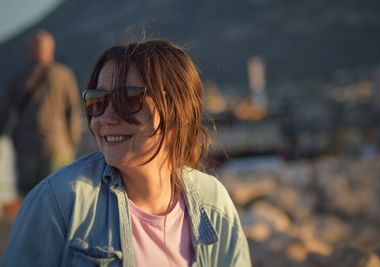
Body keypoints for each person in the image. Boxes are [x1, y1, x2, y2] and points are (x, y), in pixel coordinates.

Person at [1, 39, 251, 266]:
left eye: (128, 99)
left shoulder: (213, 204)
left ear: (176, 111)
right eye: (96, 102)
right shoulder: (59, 202)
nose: (105, 119)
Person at [0, 29, 81, 197]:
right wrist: (72, 144)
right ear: (51, 51)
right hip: (58, 148)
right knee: (59, 199)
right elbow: (73, 114)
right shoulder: (64, 75)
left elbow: (5, 113)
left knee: (30, 202)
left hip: (25, 150)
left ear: (28, 51)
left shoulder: (18, 78)